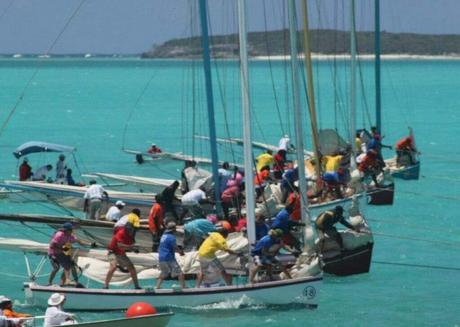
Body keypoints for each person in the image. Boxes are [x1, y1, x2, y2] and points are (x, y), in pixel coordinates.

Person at [104, 222, 141, 289]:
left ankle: (137, 286)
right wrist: (131, 247)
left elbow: (131, 246)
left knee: (132, 269)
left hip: (121, 253)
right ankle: (105, 286)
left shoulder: (131, 235)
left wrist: (135, 249)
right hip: (112, 252)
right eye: (130, 230)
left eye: (132, 230)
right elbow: (120, 246)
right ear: (126, 229)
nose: (131, 231)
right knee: (113, 267)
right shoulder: (120, 233)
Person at [156, 222, 186, 289]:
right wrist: (181, 252)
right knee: (180, 273)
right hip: (169, 257)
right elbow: (175, 247)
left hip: (161, 257)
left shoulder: (163, 236)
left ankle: (157, 287)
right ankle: (183, 287)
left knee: (164, 273)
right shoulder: (171, 237)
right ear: (173, 229)